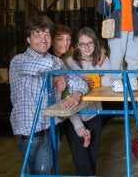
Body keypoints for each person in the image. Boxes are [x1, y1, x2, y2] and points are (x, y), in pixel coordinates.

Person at [9, 15, 88, 175]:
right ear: (28, 39)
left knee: (50, 171)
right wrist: (58, 75)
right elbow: (43, 65)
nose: (43, 39)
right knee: (42, 172)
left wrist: (76, 94)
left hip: (52, 128)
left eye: (46, 34)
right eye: (36, 35)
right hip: (31, 132)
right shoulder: (19, 61)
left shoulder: (56, 61)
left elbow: (81, 83)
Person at [63, 27, 112, 176]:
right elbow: (66, 95)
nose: (86, 47)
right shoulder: (69, 62)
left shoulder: (101, 59)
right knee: (81, 157)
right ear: (77, 45)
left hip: (95, 113)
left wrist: (91, 81)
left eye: (90, 43)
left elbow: (110, 81)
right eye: (82, 44)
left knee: (92, 154)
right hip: (74, 115)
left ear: (96, 43)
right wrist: (77, 124)